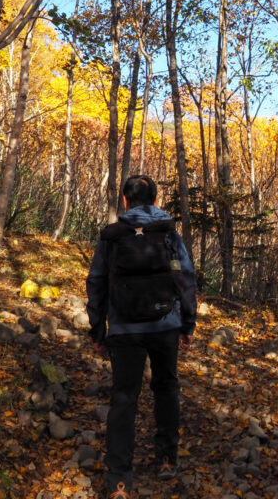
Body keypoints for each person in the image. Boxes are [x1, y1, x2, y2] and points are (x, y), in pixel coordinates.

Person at [86, 175, 198, 499]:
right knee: (166, 389)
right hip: (165, 325)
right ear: (155, 201)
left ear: (124, 201)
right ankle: (166, 458)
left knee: (123, 399)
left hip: (123, 330)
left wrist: (98, 330)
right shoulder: (168, 233)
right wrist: (187, 323)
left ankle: (119, 482)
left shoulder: (112, 236)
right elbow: (185, 277)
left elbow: (96, 281)